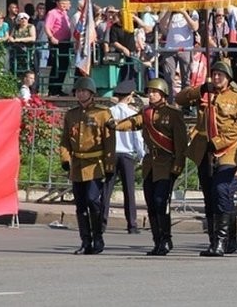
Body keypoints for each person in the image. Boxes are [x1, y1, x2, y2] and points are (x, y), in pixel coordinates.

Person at [178, 60, 237, 257]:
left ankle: (222, 240)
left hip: (227, 150)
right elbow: (180, 99)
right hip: (204, 151)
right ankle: (215, 240)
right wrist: (200, 89)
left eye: (221, 75)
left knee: (221, 191)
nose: (217, 78)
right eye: (214, 74)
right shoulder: (204, 93)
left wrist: (220, 141)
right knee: (211, 197)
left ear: (228, 78)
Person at [116, 78, 187, 256]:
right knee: (151, 204)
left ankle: (166, 238)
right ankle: (157, 241)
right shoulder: (145, 112)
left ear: (163, 94)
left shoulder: (173, 114)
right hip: (150, 165)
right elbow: (133, 122)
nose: (151, 94)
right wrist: (115, 125)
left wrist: (178, 164)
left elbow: (181, 143)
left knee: (161, 202)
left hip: (166, 163)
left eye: (155, 92)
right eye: (149, 92)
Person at [59, 77, 116, 254]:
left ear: (91, 93)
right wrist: (65, 158)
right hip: (77, 165)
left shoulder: (102, 114)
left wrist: (109, 164)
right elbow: (65, 141)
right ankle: (86, 241)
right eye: (78, 91)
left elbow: (110, 142)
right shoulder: (71, 115)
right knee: (81, 205)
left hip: (95, 164)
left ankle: (98, 237)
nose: (80, 94)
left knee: (93, 200)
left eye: (84, 91)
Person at [102, 80, 144, 236]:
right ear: (130, 96)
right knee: (129, 190)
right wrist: (141, 155)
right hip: (127, 155)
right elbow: (137, 138)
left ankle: (102, 223)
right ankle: (132, 224)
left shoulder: (109, 112)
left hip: (111, 154)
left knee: (107, 189)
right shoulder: (133, 114)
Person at [159, 9, 199, 103]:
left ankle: (185, 104)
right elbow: (162, 25)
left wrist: (184, 12)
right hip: (170, 49)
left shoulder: (192, 11)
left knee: (186, 79)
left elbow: (195, 27)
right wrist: (169, 10)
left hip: (185, 49)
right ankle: (170, 104)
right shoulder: (169, 11)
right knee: (168, 78)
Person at [44, 0, 72, 96]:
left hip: (65, 43)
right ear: (59, 4)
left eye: (67, 4)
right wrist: (51, 37)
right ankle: (53, 89)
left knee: (64, 65)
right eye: (64, 4)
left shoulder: (65, 14)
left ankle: (59, 88)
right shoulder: (52, 13)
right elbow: (47, 27)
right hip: (57, 43)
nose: (67, 6)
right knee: (56, 65)